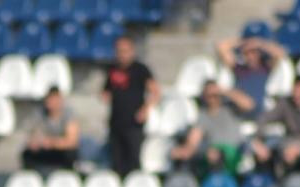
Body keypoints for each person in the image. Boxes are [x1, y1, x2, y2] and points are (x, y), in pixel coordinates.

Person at [103, 35, 159, 176]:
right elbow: (106, 90)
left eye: (125, 51)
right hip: (116, 122)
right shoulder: (112, 69)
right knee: (116, 163)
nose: (122, 54)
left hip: (133, 123)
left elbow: (155, 92)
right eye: (119, 51)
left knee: (133, 161)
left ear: (132, 51)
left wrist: (145, 109)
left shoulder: (140, 69)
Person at [250, 75, 300, 176]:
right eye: (295, 93)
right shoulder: (286, 104)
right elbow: (264, 118)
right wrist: (258, 140)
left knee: (292, 153)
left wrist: (299, 147)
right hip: (287, 142)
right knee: (262, 149)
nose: (297, 96)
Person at [170, 80, 245, 175]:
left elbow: (248, 104)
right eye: (209, 96)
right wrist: (183, 151)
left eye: (215, 95)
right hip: (213, 154)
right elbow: (193, 141)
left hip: (235, 151)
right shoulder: (203, 116)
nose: (213, 98)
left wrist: (224, 91)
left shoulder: (230, 108)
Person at [215, 35, 287, 120]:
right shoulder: (239, 68)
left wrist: (259, 43)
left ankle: (225, 92)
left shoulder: (265, 68)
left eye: (253, 52)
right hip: (239, 105)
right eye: (247, 53)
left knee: (246, 102)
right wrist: (244, 42)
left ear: (258, 54)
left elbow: (280, 53)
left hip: (256, 107)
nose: (250, 56)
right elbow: (221, 47)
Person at [21, 87, 80, 171]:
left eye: (54, 100)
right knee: (27, 154)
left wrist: (52, 142)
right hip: (46, 150)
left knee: (70, 154)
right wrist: (36, 142)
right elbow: (34, 135)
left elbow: (72, 142)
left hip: (61, 152)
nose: (51, 103)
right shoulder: (40, 114)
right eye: (49, 100)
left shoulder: (68, 115)